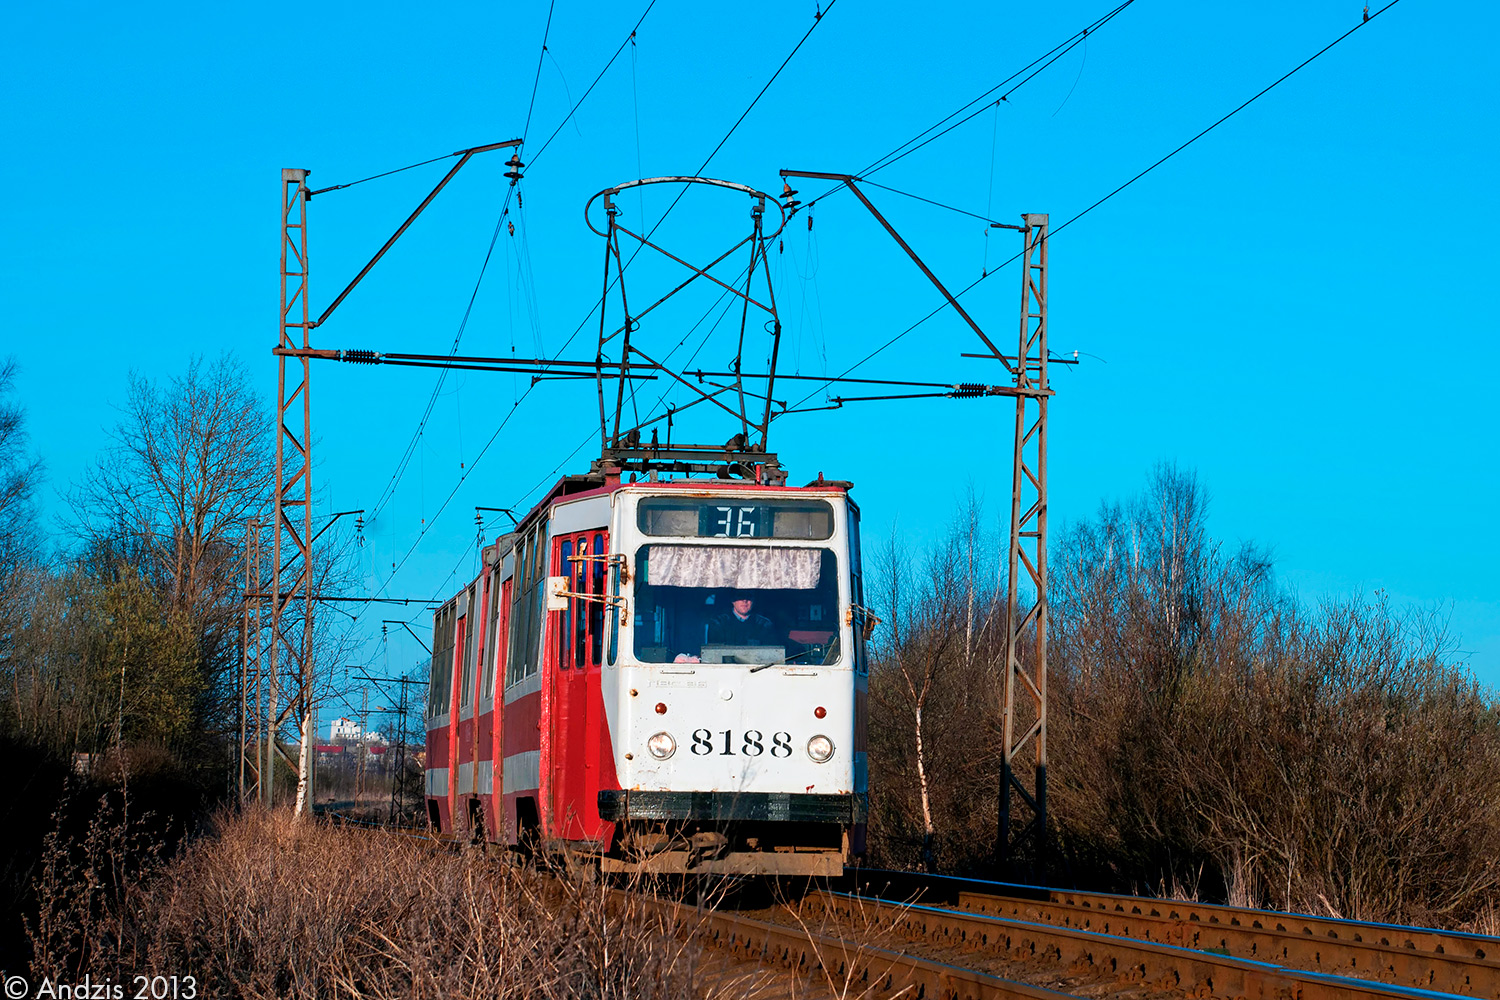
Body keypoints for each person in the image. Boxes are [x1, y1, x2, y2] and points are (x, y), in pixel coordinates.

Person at [706, 592, 778, 646]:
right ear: (733, 600)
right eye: (740, 596)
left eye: (748, 597)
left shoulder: (765, 624)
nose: (745, 600)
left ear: (753, 600)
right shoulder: (718, 622)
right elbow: (714, 653)